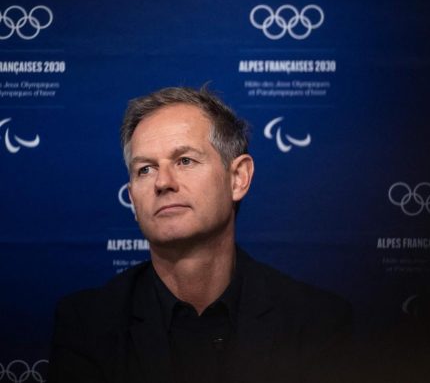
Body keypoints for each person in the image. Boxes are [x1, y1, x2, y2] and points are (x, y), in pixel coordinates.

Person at [49, 86, 352, 383]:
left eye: (185, 161)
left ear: (238, 178)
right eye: (145, 169)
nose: (162, 182)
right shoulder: (86, 323)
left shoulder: (316, 322)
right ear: (132, 198)